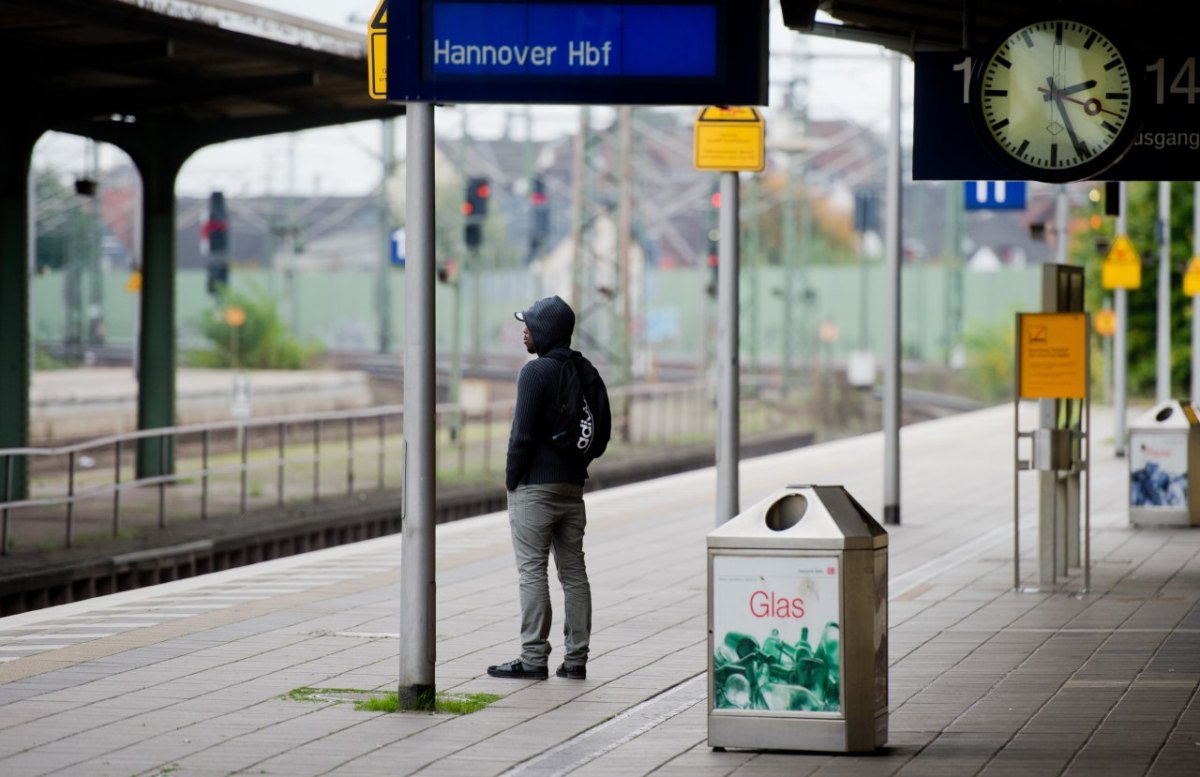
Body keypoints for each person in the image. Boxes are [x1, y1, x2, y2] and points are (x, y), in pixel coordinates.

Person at [487, 295, 608, 681]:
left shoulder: (535, 373)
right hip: (572, 489)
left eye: (530, 324)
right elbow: (601, 434)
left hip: (535, 490)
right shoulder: (586, 370)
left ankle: (533, 658)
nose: (524, 330)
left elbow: (520, 436)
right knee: (574, 573)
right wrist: (576, 464)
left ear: (546, 331)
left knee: (532, 571)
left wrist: (511, 479)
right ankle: (576, 660)